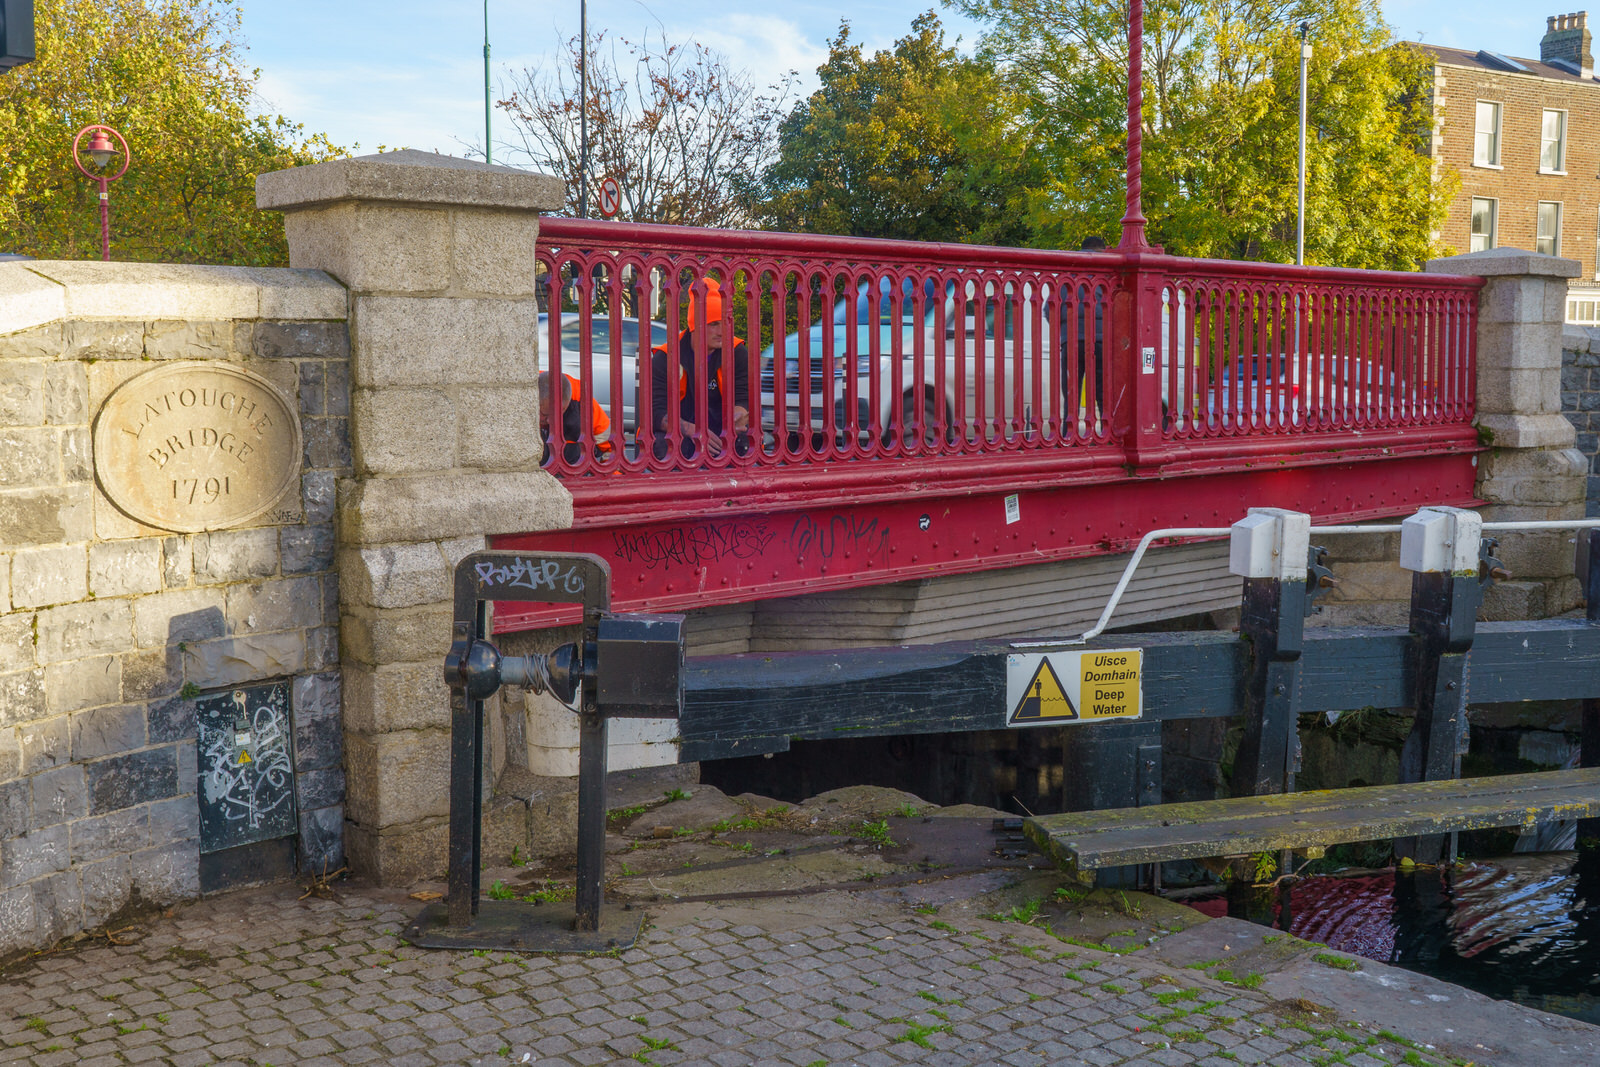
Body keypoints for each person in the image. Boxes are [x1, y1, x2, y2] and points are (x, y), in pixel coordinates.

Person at [649, 279, 751, 459]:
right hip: (681, 433)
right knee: (661, 442)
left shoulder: (738, 353)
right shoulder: (665, 357)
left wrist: (740, 415)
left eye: (725, 322)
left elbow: (744, 397)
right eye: (713, 324)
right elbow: (655, 413)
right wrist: (694, 431)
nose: (722, 331)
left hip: (722, 433)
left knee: (744, 440)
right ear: (695, 326)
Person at [538, 371, 612, 466]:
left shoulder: (582, 401)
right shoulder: (523, 388)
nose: (549, 421)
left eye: (558, 414)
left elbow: (612, 449)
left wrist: (612, 478)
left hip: (572, 466)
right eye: (545, 414)